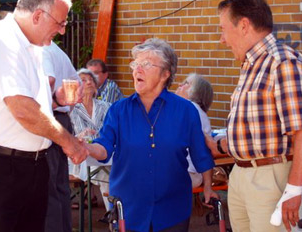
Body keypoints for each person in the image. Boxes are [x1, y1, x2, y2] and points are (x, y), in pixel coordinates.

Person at [0, 0, 88, 232]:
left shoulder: (32, 45)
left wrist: (55, 101)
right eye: (60, 22)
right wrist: (68, 141)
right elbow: (22, 109)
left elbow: (26, 103)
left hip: (27, 168)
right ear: (38, 16)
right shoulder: (2, 40)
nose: (62, 30)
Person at [206, 0, 302, 232]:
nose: (222, 39)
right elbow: (258, 130)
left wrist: (293, 189)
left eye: (223, 29)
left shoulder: (282, 62)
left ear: (244, 25)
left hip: (271, 178)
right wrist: (220, 144)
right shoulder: (251, 66)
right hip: (242, 174)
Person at [85, 38, 217, 231]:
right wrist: (85, 146)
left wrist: (208, 186)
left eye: (146, 64)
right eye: (135, 64)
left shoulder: (185, 111)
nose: (137, 69)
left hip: (173, 209)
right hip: (129, 209)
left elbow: (201, 155)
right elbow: (104, 148)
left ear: (165, 74)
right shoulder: (118, 110)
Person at [42, 41, 80, 232]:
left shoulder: (41, 49)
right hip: (61, 117)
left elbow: (48, 80)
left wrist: (54, 104)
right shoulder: (57, 51)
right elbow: (77, 84)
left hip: (49, 117)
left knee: (47, 188)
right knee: (59, 185)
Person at [69, 68, 111, 211]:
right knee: (106, 175)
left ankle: (116, 214)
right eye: (83, 80)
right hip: (79, 156)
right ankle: (114, 216)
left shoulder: (106, 107)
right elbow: (64, 136)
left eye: (91, 80)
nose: (88, 82)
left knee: (113, 170)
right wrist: (79, 136)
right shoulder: (70, 108)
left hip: (103, 151)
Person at [176, 73, 214, 188]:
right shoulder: (191, 109)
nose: (179, 85)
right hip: (187, 171)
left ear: (195, 92)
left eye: (186, 83)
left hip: (188, 173)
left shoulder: (189, 109)